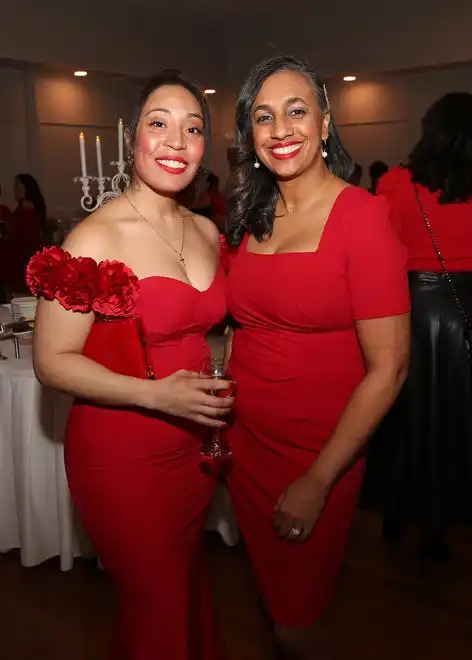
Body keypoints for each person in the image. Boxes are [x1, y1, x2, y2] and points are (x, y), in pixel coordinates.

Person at [28, 70, 233, 660]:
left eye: (192, 129)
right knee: (158, 608)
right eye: (159, 124)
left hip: (194, 451)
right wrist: (155, 396)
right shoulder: (92, 238)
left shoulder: (206, 232)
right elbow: (51, 362)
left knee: (185, 593)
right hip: (122, 455)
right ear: (131, 137)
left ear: (204, 146)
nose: (176, 141)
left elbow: (208, 328)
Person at [224, 55, 410, 659]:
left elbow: (390, 369)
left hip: (319, 453)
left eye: (296, 111)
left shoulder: (362, 217)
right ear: (250, 136)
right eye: (264, 116)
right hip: (246, 446)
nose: (281, 129)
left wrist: (318, 480)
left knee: (297, 624)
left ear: (326, 123)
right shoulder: (251, 218)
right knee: (274, 603)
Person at [370, 92, 472, 561]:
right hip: (466, 306)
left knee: (406, 416)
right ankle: (443, 520)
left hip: (410, 305)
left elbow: (380, 252)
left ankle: (396, 511)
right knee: (456, 421)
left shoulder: (393, 183)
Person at [0, 173, 44, 295]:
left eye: (18, 186)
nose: (15, 189)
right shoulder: (22, 206)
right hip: (20, 254)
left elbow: (24, 233)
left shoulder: (28, 208)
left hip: (23, 255)